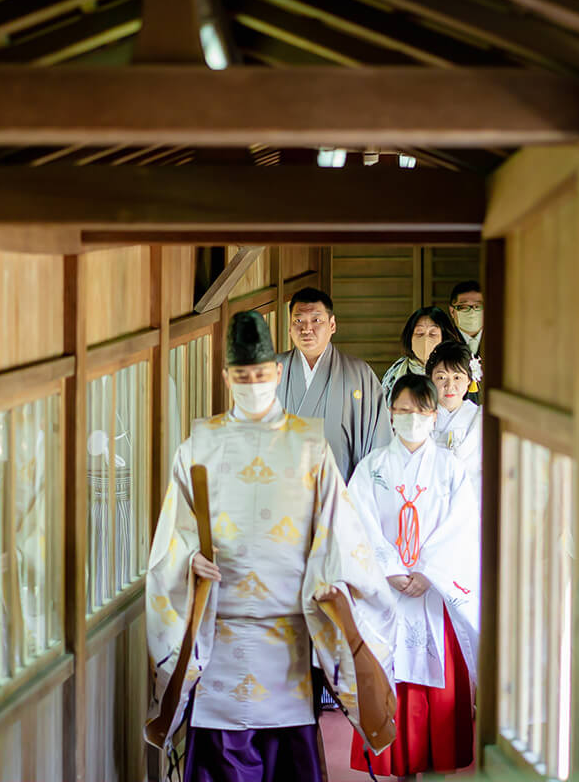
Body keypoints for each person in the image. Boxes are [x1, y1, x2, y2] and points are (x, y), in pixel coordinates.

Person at [145, 310, 398, 782]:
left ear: (277, 374)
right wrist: (189, 559)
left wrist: (331, 578)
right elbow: (173, 537)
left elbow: (339, 530)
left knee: (287, 752)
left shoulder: (309, 445)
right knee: (220, 752)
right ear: (227, 378)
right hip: (220, 630)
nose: (253, 385)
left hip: (287, 633)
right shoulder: (199, 446)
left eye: (261, 376)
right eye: (243, 377)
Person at [346, 374, 480, 780]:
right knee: (389, 678)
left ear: (434, 415)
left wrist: (428, 571)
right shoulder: (372, 467)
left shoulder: (450, 468)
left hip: (433, 594)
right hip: (386, 592)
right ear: (391, 414)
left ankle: (434, 768)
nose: (412, 418)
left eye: (420, 411)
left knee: (436, 686)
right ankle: (399, 768)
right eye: (403, 410)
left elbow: (462, 525)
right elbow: (358, 522)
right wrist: (389, 567)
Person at [275, 287, 391, 481]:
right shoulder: (270, 372)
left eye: (316, 320)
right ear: (289, 327)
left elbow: (379, 446)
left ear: (332, 325)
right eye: (298, 321)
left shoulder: (358, 374)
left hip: (342, 494)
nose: (306, 329)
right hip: (282, 494)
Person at [426, 340, 483, 490]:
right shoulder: (420, 417)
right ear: (431, 379)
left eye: (457, 377)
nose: (450, 386)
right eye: (441, 377)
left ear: (469, 379)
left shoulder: (481, 418)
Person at [379, 306, 463, 406]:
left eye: (432, 334)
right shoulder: (395, 372)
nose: (425, 339)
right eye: (419, 333)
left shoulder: (457, 370)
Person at [448, 280, 485, 360]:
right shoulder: (443, 340)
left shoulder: (501, 339)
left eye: (477, 306)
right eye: (464, 307)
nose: (472, 312)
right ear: (452, 311)